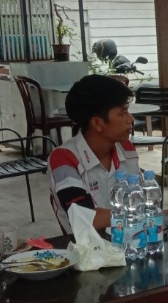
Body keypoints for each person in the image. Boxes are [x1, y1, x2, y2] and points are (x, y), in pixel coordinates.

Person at [49, 74, 137, 233]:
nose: (131, 119)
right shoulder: (64, 158)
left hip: (128, 239)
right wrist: (139, 215)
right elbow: (84, 217)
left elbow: (138, 199)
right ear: (97, 123)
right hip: (87, 246)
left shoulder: (126, 149)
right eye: (123, 113)